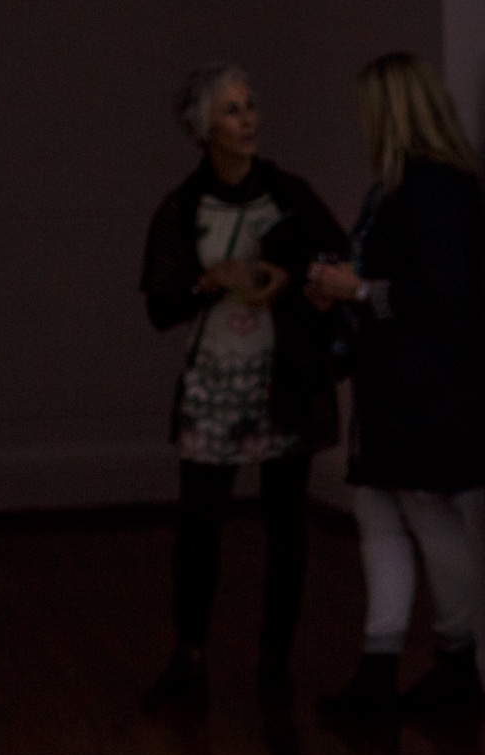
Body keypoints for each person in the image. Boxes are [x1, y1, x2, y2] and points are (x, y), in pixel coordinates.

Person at [140, 63, 346, 709]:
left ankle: (274, 662)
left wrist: (283, 278)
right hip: (217, 380)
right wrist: (208, 282)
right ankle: (189, 655)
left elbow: (336, 256)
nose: (248, 118)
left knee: (287, 525)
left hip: (282, 377)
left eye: (251, 105)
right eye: (232, 110)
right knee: (199, 526)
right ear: (204, 130)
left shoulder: (288, 193)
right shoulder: (182, 206)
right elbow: (160, 304)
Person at [307, 52, 485, 721]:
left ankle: (455, 661)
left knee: (421, 513)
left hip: (424, 388)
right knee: (380, 514)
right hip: (395, 387)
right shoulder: (398, 188)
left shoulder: (434, 186)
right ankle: (380, 663)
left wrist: (355, 289)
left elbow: (445, 291)